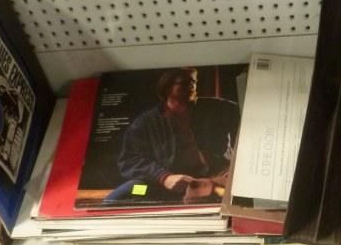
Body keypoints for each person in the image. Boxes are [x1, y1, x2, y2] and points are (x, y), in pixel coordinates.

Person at [103, 67, 240, 204]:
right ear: (167, 87)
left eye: (193, 82)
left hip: (213, 180)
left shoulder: (213, 108)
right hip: (163, 186)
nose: (192, 86)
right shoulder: (146, 122)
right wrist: (164, 177)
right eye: (185, 83)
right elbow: (129, 160)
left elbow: (244, 115)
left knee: (208, 198)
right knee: (119, 196)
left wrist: (233, 164)